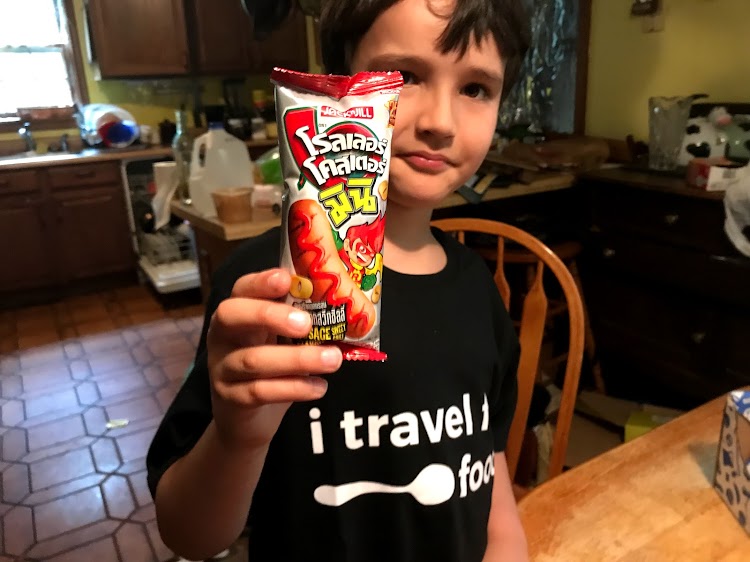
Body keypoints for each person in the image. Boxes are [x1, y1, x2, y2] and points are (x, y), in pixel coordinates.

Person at [147, 0, 531, 560]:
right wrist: (237, 438)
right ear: (337, 87)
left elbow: (491, 477)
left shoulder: (479, 290)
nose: (440, 122)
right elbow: (188, 534)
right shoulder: (266, 293)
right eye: (404, 77)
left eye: (476, 88)